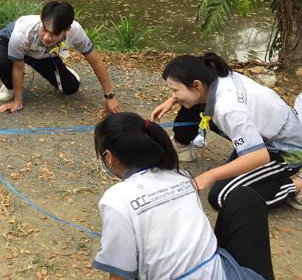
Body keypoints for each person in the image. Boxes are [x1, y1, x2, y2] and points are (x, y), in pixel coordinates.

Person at [93, 112, 274, 280]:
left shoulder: (116, 200)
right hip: (221, 273)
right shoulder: (181, 176)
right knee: (246, 198)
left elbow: (120, 275)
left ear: (108, 157)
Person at [151, 52, 302, 210]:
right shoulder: (215, 76)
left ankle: (296, 185)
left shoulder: (228, 108)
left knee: (222, 196)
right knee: (193, 103)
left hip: (285, 151)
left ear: (196, 85)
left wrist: (210, 175)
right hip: (267, 133)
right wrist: (174, 99)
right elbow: (194, 95)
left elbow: (259, 156)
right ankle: (181, 145)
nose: (173, 95)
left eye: (175, 90)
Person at [0, 0, 121, 114]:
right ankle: (10, 85)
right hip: (9, 43)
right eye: (44, 29)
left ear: (67, 29)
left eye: (54, 34)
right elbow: (18, 67)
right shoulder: (23, 31)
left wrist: (109, 96)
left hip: (41, 53)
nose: (47, 37)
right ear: (41, 18)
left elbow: (95, 60)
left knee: (70, 88)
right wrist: (18, 102)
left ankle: (61, 67)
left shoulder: (76, 31)